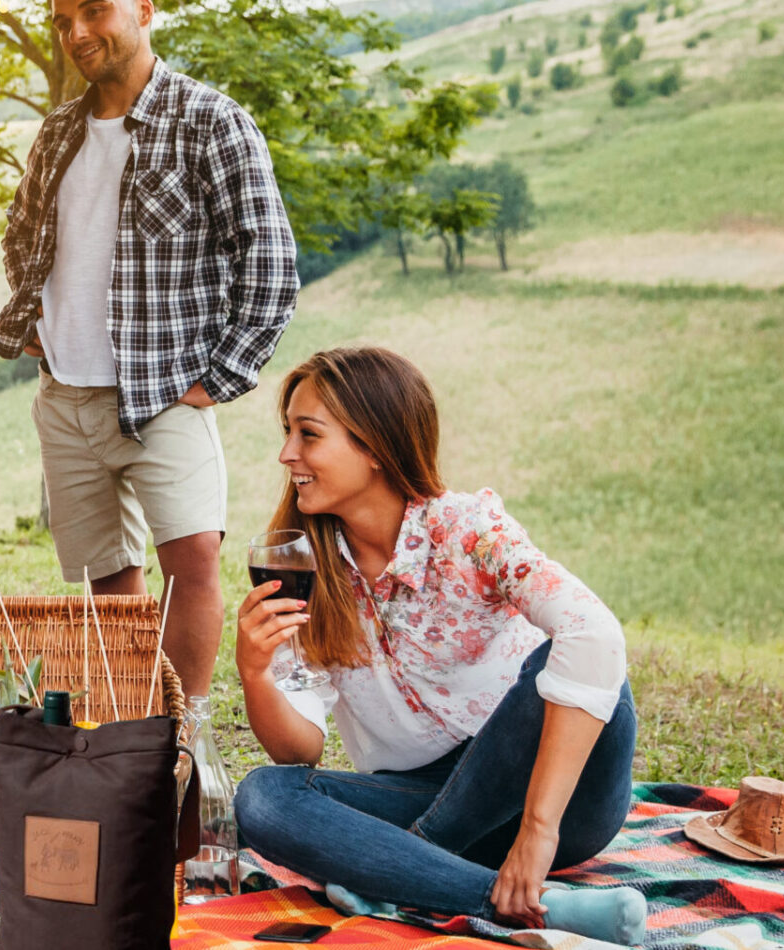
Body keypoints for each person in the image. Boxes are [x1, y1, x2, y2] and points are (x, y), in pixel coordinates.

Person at [229, 348, 646, 946]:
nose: (286, 453)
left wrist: (538, 829)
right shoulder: (308, 569)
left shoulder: (469, 531)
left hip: (553, 797)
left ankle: (407, 866)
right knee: (264, 797)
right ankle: (524, 905)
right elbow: (302, 748)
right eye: (287, 432)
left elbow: (596, 633)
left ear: (373, 446)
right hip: (421, 796)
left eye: (308, 434)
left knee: (567, 655)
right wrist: (256, 674)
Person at [0, 0, 299, 696]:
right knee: (110, 575)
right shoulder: (58, 133)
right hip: (64, 397)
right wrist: (36, 315)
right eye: (61, 19)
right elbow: (20, 235)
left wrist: (220, 376)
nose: (75, 33)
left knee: (191, 564)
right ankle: (130, 736)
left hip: (165, 393)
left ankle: (179, 739)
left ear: (144, 9)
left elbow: (270, 260)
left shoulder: (210, 121)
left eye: (93, 11)